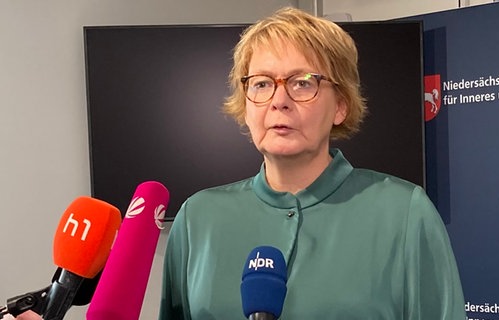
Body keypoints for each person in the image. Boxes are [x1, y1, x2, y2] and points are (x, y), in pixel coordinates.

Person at [159, 6, 465, 320]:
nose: (279, 101)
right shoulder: (198, 218)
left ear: (340, 107)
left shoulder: (405, 214)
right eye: (262, 83)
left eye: (303, 82)